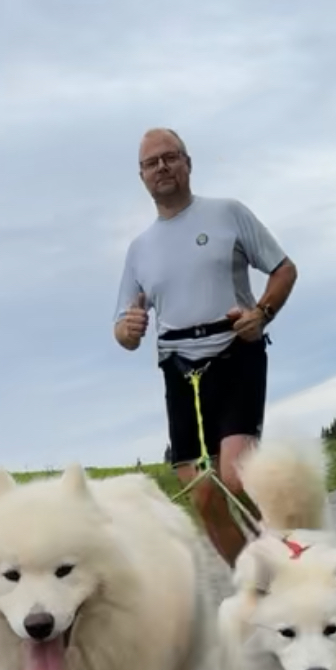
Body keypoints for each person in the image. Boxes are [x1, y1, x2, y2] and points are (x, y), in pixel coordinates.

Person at [113, 127, 298, 567]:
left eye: (170, 157)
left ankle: (295, 556)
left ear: (188, 163)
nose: (162, 167)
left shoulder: (228, 213)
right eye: (151, 163)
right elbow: (122, 329)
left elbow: (284, 269)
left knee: (236, 477)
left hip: (235, 352)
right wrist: (129, 329)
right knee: (204, 496)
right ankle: (256, 583)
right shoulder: (139, 250)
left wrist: (263, 313)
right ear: (141, 176)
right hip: (179, 369)